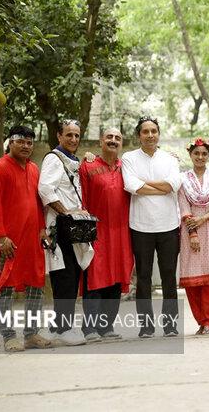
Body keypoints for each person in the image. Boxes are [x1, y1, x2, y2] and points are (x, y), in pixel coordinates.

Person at [0, 126, 52, 352]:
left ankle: (31, 334)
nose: (26, 146)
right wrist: (0, 236)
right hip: (8, 241)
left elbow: (38, 203)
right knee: (5, 287)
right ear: (10, 143)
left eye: (29, 142)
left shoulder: (34, 169)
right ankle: (8, 336)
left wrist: (43, 229)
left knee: (35, 285)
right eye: (20, 141)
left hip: (32, 239)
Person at [122, 116, 182, 338]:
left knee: (168, 277)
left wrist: (144, 184)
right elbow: (130, 185)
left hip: (168, 225)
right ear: (139, 135)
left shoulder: (170, 159)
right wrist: (163, 188)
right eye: (145, 131)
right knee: (144, 277)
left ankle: (170, 325)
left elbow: (173, 184)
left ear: (159, 134)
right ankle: (146, 327)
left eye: (153, 131)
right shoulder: (129, 158)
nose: (150, 135)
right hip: (140, 226)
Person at [38, 119, 93, 346]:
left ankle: (56, 327)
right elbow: (45, 188)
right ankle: (64, 328)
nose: (73, 139)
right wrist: (66, 212)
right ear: (59, 136)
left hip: (72, 225)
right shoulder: (53, 158)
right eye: (68, 135)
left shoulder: (72, 159)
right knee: (66, 277)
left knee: (71, 275)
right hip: (60, 225)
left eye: (76, 135)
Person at [79, 128, 133, 341]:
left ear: (122, 143)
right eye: (109, 137)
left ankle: (106, 326)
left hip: (122, 234)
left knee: (116, 279)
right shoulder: (88, 166)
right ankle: (90, 328)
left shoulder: (127, 167)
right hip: (96, 232)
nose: (113, 141)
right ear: (101, 141)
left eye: (117, 138)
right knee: (95, 278)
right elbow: (81, 197)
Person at [177, 137, 209, 335]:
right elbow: (183, 207)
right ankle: (201, 321)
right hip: (190, 230)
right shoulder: (182, 180)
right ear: (190, 154)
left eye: (204, 153)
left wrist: (203, 219)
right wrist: (193, 233)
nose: (200, 157)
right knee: (193, 279)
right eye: (196, 153)